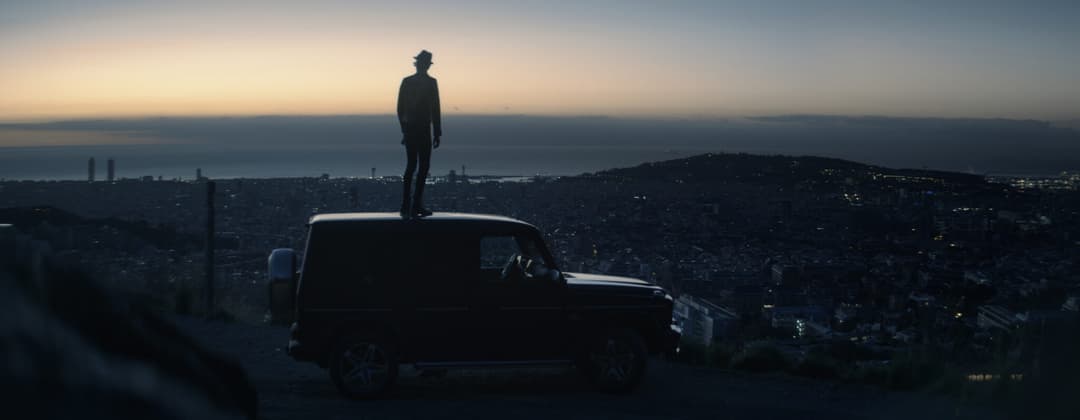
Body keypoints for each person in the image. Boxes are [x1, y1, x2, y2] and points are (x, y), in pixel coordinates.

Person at [397, 49, 441, 217]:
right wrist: (437, 133)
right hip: (422, 129)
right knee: (422, 167)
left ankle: (407, 204)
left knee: (412, 166)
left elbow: (400, 109)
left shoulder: (407, 82)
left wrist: (404, 129)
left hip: (412, 129)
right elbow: (435, 109)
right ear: (426, 65)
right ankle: (414, 204)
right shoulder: (431, 83)